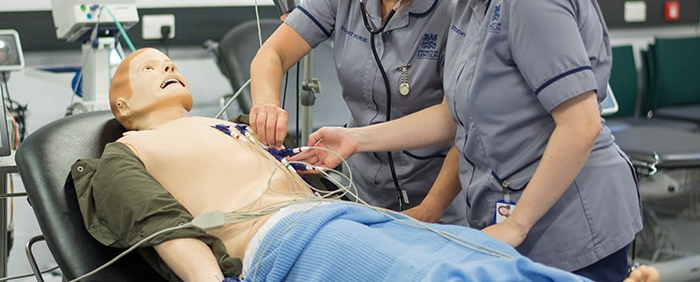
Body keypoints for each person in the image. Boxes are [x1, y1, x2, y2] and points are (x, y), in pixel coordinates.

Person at [294, 0, 644, 281]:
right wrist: (357, 139)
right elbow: (455, 116)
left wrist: (518, 223)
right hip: (511, 217)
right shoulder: (473, 3)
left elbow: (580, 124)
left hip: (570, 223)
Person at [69, 48, 659, 282]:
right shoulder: (127, 154)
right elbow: (165, 230)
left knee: (474, 251)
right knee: (430, 279)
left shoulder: (229, 126)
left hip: (340, 214)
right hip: (282, 242)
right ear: (121, 104)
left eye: (169, 60)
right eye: (148, 68)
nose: (167, 66)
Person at [249, 0, 466, 224]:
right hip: (358, 191)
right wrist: (266, 104)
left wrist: (430, 210)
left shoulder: (453, 8)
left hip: (437, 203)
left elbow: (458, 120)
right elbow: (272, 54)